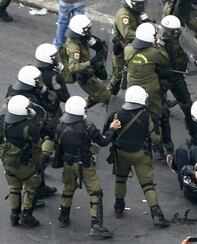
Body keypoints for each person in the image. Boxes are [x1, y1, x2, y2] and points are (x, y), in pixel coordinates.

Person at [55, 96, 121, 238]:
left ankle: (63, 216)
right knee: (95, 192)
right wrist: (112, 129)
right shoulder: (87, 126)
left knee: (68, 189)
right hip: (84, 164)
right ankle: (96, 225)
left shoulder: (60, 125)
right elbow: (103, 142)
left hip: (68, 163)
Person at [104, 86, 170, 227]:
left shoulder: (117, 115)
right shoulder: (148, 116)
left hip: (121, 154)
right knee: (147, 186)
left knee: (120, 180)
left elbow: (108, 133)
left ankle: (119, 207)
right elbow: (156, 138)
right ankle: (157, 215)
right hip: (141, 155)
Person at [6, 65, 57, 201]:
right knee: (34, 164)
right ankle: (33, 198)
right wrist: (50, 132)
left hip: (11, 132)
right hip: (27, 135)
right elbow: (38, 121)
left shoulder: (12, 89)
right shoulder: (30, 100)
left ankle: (38, 189)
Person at [124, 22, 169, 159]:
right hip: (151, 91)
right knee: (156, 117)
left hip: (132, 89)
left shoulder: (128, 50)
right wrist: (159, 44)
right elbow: (165, 59)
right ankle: (157, 146)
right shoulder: (154, 52)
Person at [158, 15, 197, 155]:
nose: (168, 33)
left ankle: (195, 135)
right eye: (167, 30)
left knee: (188, 106)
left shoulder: (182, 38)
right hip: (161, 78)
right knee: (161, 113)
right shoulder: (156, 41)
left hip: (176, 76)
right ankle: (165, 145)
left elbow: (195, 50)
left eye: (172, 31)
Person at [0, 95, 43, 227]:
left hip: (8, 161)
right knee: (31, 187)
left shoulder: (2, 121)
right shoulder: (29, 127)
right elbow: (36, 148)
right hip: (24, 163)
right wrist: (37, 165)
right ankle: (27, 216)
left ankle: (14, 215)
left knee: (15, 187)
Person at [35, 43, 71, 199]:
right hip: (52, 113)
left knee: (41, 138)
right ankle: (42, 162)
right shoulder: (55, 76)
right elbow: (65, 97)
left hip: (36, 112)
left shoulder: (33, 72)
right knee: (53, 137)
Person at [61, 14, 111, 108]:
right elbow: (73, 68)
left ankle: (88, 102)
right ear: (81, 31)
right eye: (87, 29)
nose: (89, 31)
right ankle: (77, 109)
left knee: (98, 91)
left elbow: (95, 45)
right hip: (86, 77)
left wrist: (92, 40)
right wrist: (91, 62)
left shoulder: (80, 38)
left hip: (90, 71)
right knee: (106, 97)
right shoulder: (73, 46)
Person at [107, 0, 148, 95]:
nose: (142, 6)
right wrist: (145, 33)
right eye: (139, 4)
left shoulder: (135, 12)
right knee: (118, 75)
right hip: (122, 48)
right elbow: (127, 33)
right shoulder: (124, 14)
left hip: (133, 47)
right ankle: (108, 96)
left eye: (143, 3)